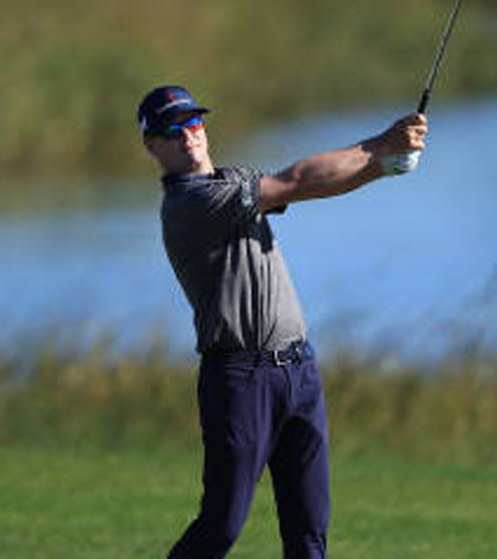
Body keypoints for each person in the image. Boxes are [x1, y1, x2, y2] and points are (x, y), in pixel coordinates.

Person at [138, 84, 428, 559]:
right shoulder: (190, 205)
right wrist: (380, 144)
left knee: (310, 532)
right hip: (240, 379)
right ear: (153, 146)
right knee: (221, 527)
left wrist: (383, 166)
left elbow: (320, 185)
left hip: (300, 371)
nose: (187, 135)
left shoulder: (231, 180)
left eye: (193, 122)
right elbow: (298, 180)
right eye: (171, 128)